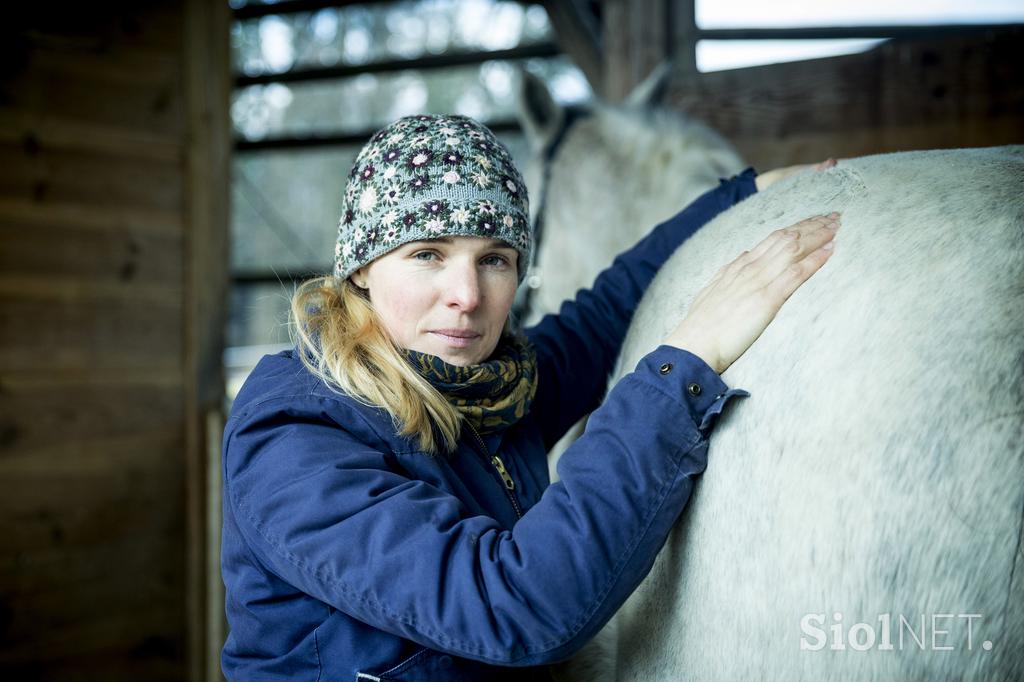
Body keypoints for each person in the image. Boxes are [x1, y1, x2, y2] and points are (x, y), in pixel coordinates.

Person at [220, 113, 839, 680]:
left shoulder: (490, 386)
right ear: (361, 269)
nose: (466, 294)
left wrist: (738, 201)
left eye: (493, 259)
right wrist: (687, 363)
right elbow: (514, 606)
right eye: (427, 254)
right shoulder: (293, 432)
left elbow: (602, 315)